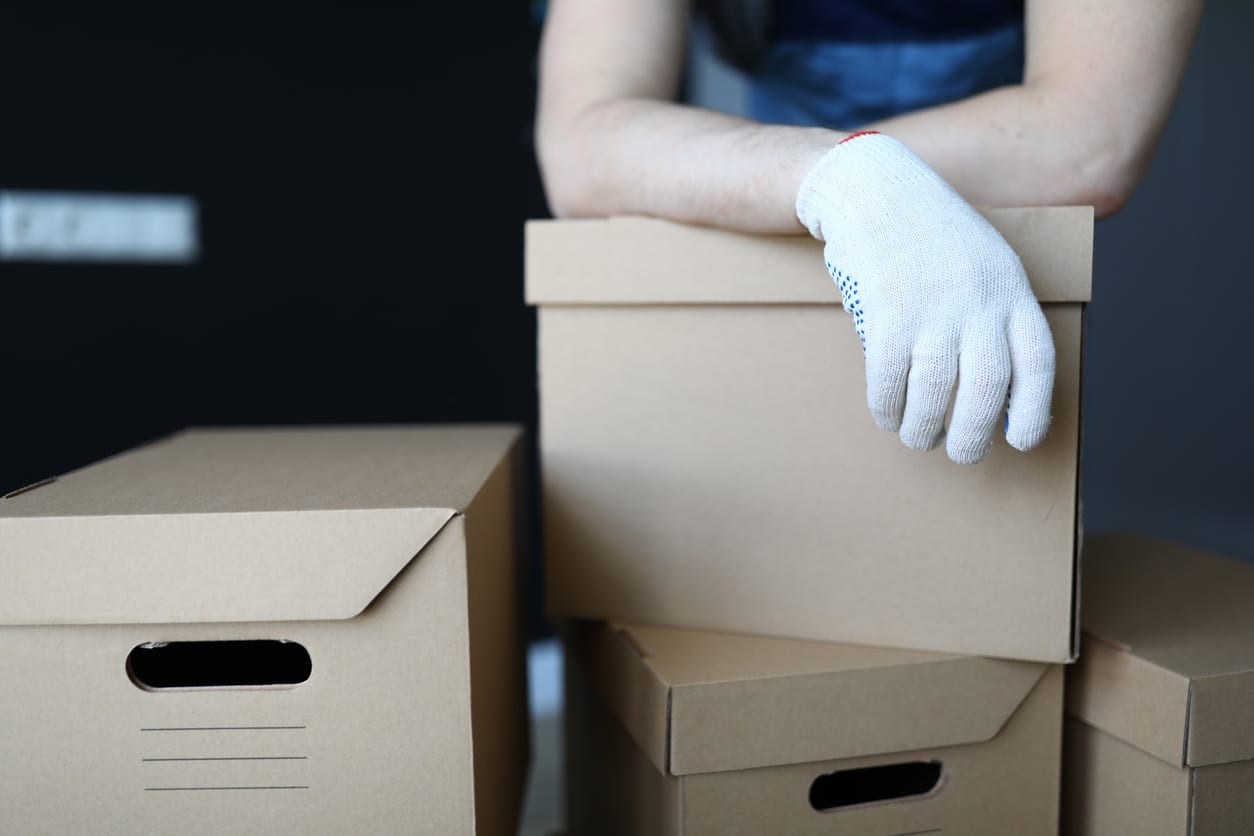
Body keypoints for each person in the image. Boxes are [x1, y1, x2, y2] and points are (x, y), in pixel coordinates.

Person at [534, 0, 1203, 464]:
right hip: (781, 227)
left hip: (996, 241)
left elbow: (1088, 140)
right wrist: (844, 177)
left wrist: (864, 176)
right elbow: (581, 143)